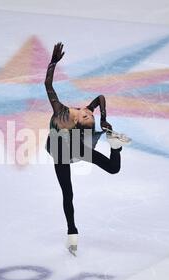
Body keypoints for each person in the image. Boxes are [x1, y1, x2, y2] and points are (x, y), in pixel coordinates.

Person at [44, 42, 131, 256]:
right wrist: (103, 118)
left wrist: (53, 64)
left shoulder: (64, 112)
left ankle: (115, 147)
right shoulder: (71, 113)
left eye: (88, 115)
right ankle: (72, 231)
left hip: (67, 147)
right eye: (88, 114)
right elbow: (98, 98)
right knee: (68, 192)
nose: (88, 111)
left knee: (112, 168)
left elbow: (50, 85)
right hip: (61, 148)